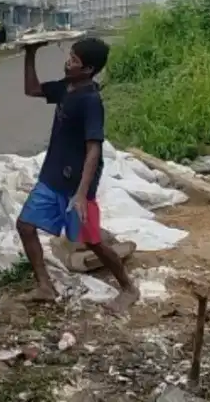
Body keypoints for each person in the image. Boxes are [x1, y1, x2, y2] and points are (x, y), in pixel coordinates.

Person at [16, 37, 140, 314]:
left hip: (76, 186)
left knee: (92, 241)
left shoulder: (90, 101)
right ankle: (45, 286)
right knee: (25, 226)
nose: (67, 63)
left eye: (73, 61)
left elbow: (93, 149)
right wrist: (30, 53)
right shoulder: (66, 88)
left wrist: (82, 194)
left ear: (88, 69)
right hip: (52, 177)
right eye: (69, 57)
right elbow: (32, 89)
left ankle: (129, 288)